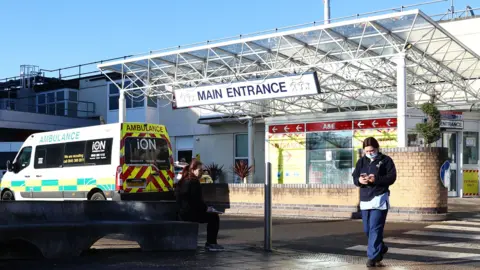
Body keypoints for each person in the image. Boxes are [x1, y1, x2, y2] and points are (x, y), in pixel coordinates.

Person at [352, 137, 397, 267]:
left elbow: (391, 177)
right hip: (365, 198)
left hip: (379, 198)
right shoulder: (362, 161)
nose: (369, 153)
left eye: (372, 150)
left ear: (377, 148)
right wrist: (360, 181)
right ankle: (380, 247)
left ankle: (373, 257)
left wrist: (375, 179)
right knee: (367, 229)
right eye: (367, 151)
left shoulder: (386, 160)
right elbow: (355, 177)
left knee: (375, 229)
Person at [175, 159, 224, 251]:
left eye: (203, 170)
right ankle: (211, 243)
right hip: (189, 214)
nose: (202, 172)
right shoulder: (194, 182)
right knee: (214, 217)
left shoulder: (183, 180)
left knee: (211, 215)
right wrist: (207, 209)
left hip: (181, 213)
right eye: (200, 170)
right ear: (193, 170)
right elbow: (197, 202)